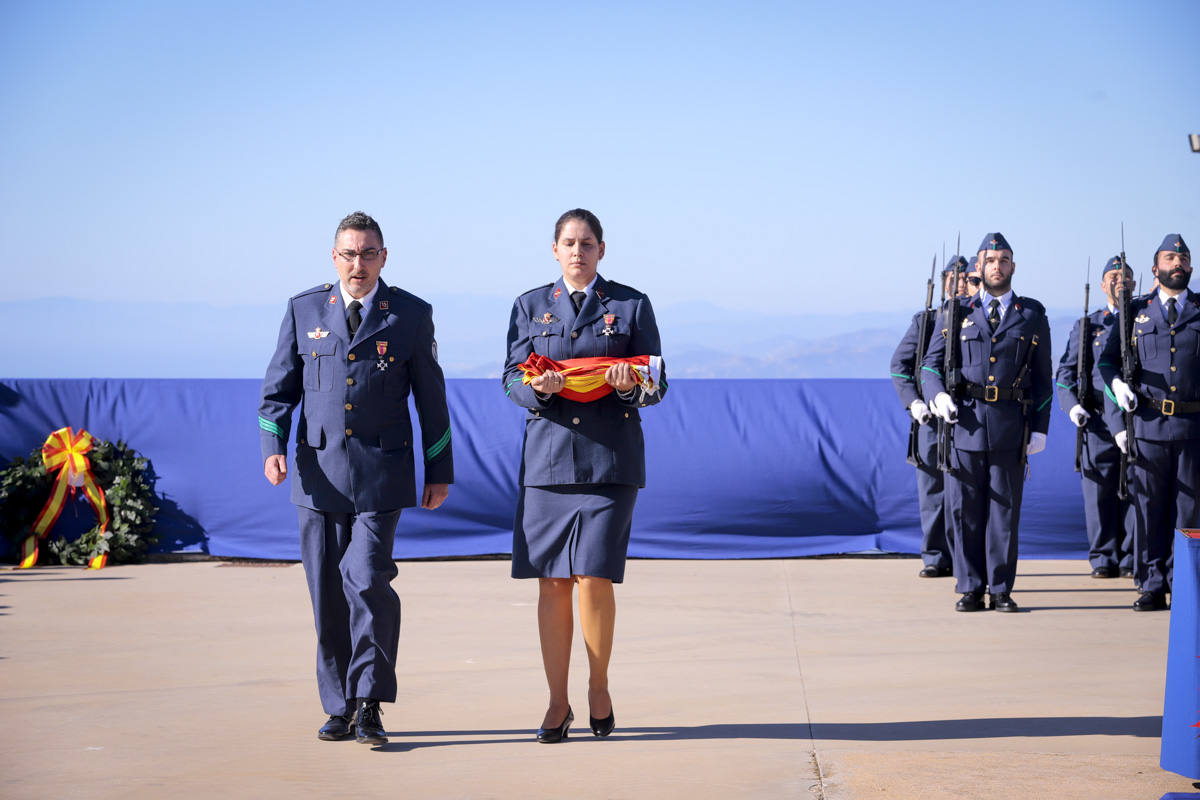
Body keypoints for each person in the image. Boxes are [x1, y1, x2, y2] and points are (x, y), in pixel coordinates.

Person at [259, 211, 454, 744]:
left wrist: (439, 470)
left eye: (369, 253)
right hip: (317, 476)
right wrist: (272, 444)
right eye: (349, 253)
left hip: (382, 475)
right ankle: (339, 706)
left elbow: (432, 401)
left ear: (384, 257)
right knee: (326, 593)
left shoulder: (410, 314)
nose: (358, 264)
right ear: (334, 256)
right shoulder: (304, 310)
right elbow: (279, 391)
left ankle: (370, 700)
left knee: (366, 580)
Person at [501, 208, 666, 742]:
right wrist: (535, 390)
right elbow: (510, 377)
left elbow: (658, 383)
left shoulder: (630, 304)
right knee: (551, 583)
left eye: (587, 243)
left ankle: (598, 686)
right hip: (548, 461)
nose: (578, 251)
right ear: (555, 250)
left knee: (593, 576)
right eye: (569, 243)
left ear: (602, 250)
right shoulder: (529, 306)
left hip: (608, 461)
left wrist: (625, 385)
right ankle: (556, 702)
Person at [922, 232, 1053, 613]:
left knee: (1004, 513)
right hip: (964, 425)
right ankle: (970, 587)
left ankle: (1000, 588)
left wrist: (1041, 427)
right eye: (991, 260)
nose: (997, 266)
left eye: (1004, 260)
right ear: (978, 267)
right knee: (964, 511)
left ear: (1013, 266)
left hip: (1011, 426)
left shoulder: (1031, 315)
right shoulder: (956, 312)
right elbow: (929, 366)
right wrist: (938, 395)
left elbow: (1043, 377)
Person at [1100, 234, 1195, 612]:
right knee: (1149, 508)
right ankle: (1152, 583)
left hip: (1193, 428)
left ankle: (1186, 585)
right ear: (1156, 270)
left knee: (1189, 513)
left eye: (1184, 258)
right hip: (1150, 426)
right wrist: (1118, 385)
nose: (1178, 263)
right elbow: (1106, 362)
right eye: (1170, 258)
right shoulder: (1134, 313)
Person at [1055, 256, 1136, 578]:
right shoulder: (1089, 326)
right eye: (1114, 276)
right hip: (1099, 422)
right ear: (1103, 285)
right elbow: (1065, 373)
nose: (1121, 281)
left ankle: (1132, 558)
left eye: (1126, 276)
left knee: (1136, 491)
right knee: (1099, 494)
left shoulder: (1144, 319)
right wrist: (1072, 405)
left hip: (1136, 421)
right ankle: (1104, 558)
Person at [889, 257, 970, 578]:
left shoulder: (978, 319)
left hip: (967, 419)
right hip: (931, 422)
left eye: (967, 277)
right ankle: (936, 556)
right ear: (945, 281)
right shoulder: (927, 322)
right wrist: (915, 404)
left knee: (966, 493)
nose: (961, 283)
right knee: (933, 493)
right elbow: (900, 365)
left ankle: (966, 558)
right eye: (955, 277)